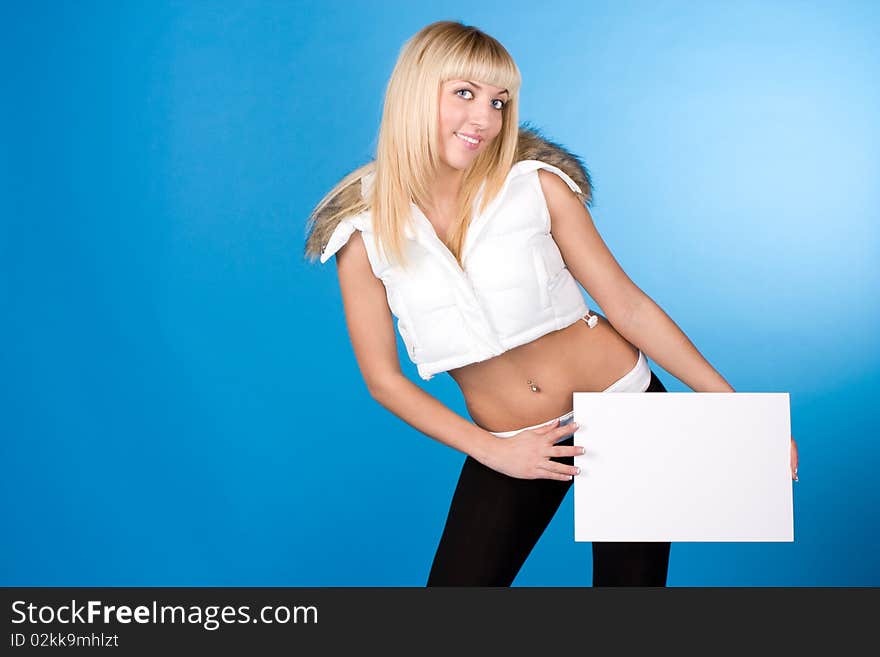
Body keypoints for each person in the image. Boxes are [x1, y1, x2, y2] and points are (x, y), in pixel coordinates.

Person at [304, 20, 799, 586]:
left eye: (499, 101)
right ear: (415, 91)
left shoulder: (536, 184)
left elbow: (628, 306)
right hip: (516, 441)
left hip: (627, 407)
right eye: (464, 93)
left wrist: (733, 410)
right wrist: (494, 452)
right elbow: (383, 381)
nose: (485, 119)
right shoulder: (363, 232)